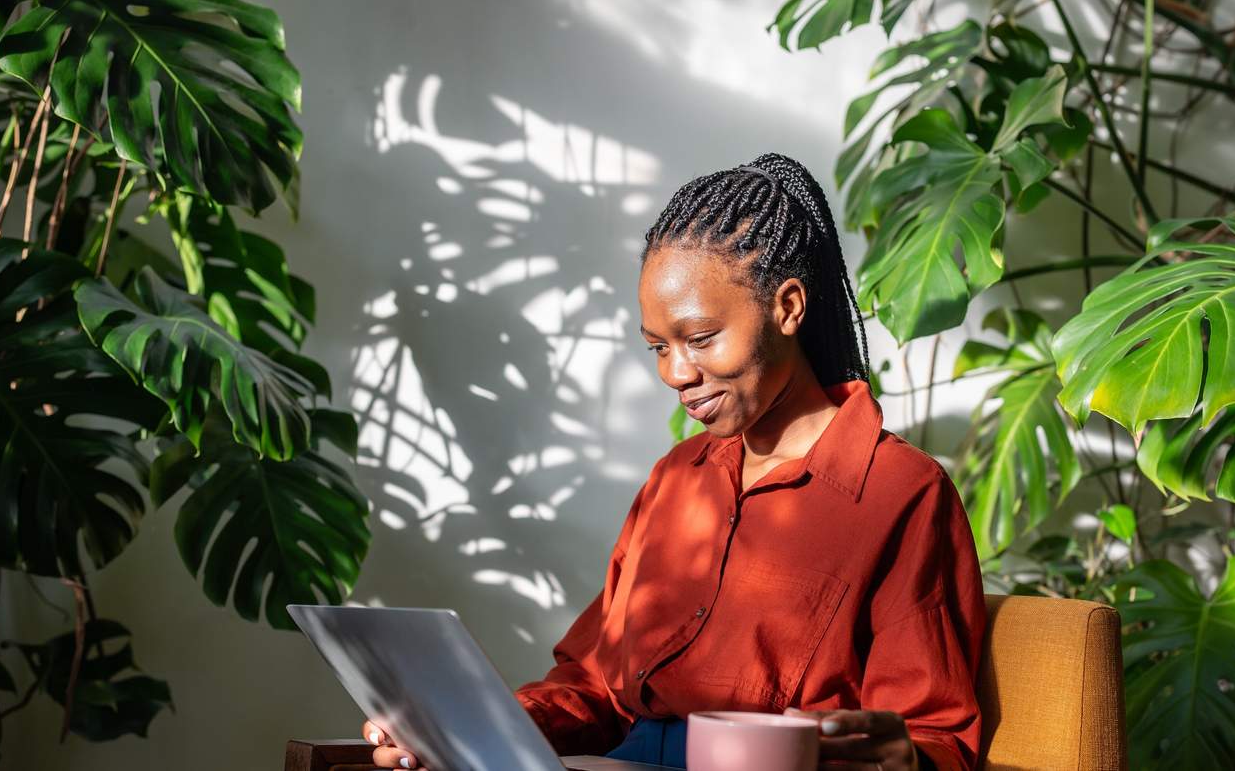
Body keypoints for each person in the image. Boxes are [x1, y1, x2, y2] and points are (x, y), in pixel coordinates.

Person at [364, 153, 986, 771]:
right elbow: (594, 684)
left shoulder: (901, 493)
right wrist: (474, 725)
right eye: (658, 347)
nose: (676, 374)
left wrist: (896, 759)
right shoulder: (676, 480)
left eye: (700, 338)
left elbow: (937, 737)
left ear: (788, 307)